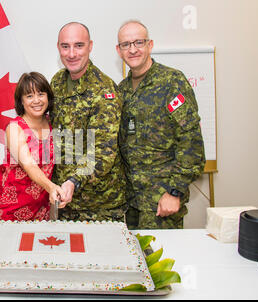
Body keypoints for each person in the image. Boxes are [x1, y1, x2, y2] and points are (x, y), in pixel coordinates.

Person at [116, 20, 205, 229]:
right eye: (126, 44)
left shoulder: (172, 81)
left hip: (162, 202)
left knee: (161, 261)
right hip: (132, 203)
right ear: (119, 50)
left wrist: (175, 191)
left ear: (150, 45)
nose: (133, 49)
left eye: (138, 42)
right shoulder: (123, 90)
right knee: (137, 260)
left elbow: (191, 140)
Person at [50, 22, 127, 222]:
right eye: (65, 46)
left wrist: (74, 181)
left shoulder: (104, 90)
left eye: (79, 45)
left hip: (98, 206)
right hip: (64, 201)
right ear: (58, 47)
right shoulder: (57, 82)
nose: (71, 53)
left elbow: (103, 152)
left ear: (90, 46)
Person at [0, 72, 65, 221]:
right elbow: (30, 166)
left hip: (42, 208)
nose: (36, 100)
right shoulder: (15, 128)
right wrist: (51, 187)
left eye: (41, 94)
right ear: (21, 101)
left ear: (48, 97)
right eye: (29, 96)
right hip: (11, 208)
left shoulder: (53, 124)